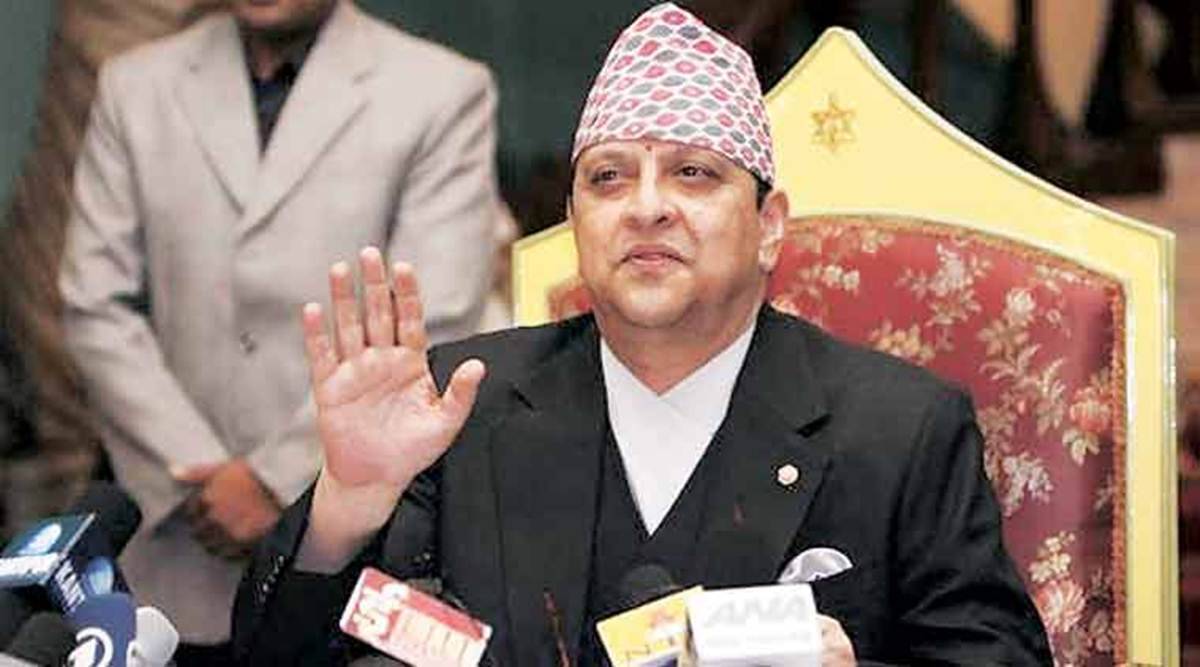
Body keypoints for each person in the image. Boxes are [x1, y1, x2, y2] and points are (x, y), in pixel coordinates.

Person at [232, 3, 1051, 664]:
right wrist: (345, 507)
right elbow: (281, 654)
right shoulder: (458, 407)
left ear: (769, 226)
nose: (647, 206)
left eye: (693, 173)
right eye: (609, 177)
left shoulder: (902, 430)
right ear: (575, 221)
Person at [58, 0, 497, 660]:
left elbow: (435, 313)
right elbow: (96, 303)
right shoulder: (135, 85)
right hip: (172, 553)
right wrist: (196, 476)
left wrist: (277, 480)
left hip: (349, 558)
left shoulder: (442, 90)